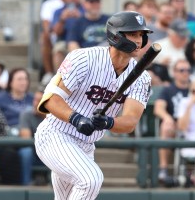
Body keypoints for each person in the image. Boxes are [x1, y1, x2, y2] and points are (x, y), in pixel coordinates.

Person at [34, 11, 152, 200]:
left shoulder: (142, 78)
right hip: (55, 135)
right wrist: (76, 118)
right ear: (116, 35)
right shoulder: (83, 58)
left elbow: (130, 122)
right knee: (91, 179)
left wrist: (107, 122)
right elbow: (50, 100)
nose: (138, 40)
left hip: (86, 146)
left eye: (140, 35)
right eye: (132, 34)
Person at [154, 59, 190, 181]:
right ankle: (163, 169)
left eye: (188, 70)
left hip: (193, 127)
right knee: (166, 126)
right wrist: (167, 117)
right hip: (175, 126)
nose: (185, 73)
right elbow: (158, 108)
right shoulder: (168, 90)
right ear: (174, 73)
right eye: (181, 70)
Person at [18, 85, 46, 185]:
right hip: (34, 154)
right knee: (26, 151)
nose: (35, 104)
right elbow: (26, 138)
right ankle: (26, 184)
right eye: (34, 100)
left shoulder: (55, 116)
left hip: (50, 154)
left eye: (39, 101)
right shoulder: (27, 114)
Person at [0, 68, 33, 135]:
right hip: (10, 134)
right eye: (19, 79)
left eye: (25, 79)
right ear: (11, 82)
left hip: (31, 132)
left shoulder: (33, 99)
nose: (23, 82)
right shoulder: (0, 100)